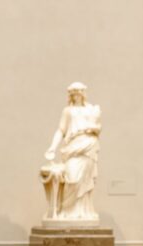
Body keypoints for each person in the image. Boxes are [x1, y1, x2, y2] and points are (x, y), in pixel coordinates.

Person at [42, 81, 101, 222]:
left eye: (79, 93)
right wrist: (52, 147)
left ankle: (83, 212)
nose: (77, 96)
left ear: (83, 94)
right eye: (74, 94)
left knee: (85, 182)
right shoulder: (68, 111)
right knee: (72, 179)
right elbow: (61, 130)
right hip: (73, 147)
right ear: (71, 96)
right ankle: (66, 211)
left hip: (88, 146)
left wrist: (93, 129)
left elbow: (98, 128)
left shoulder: (91, 110)